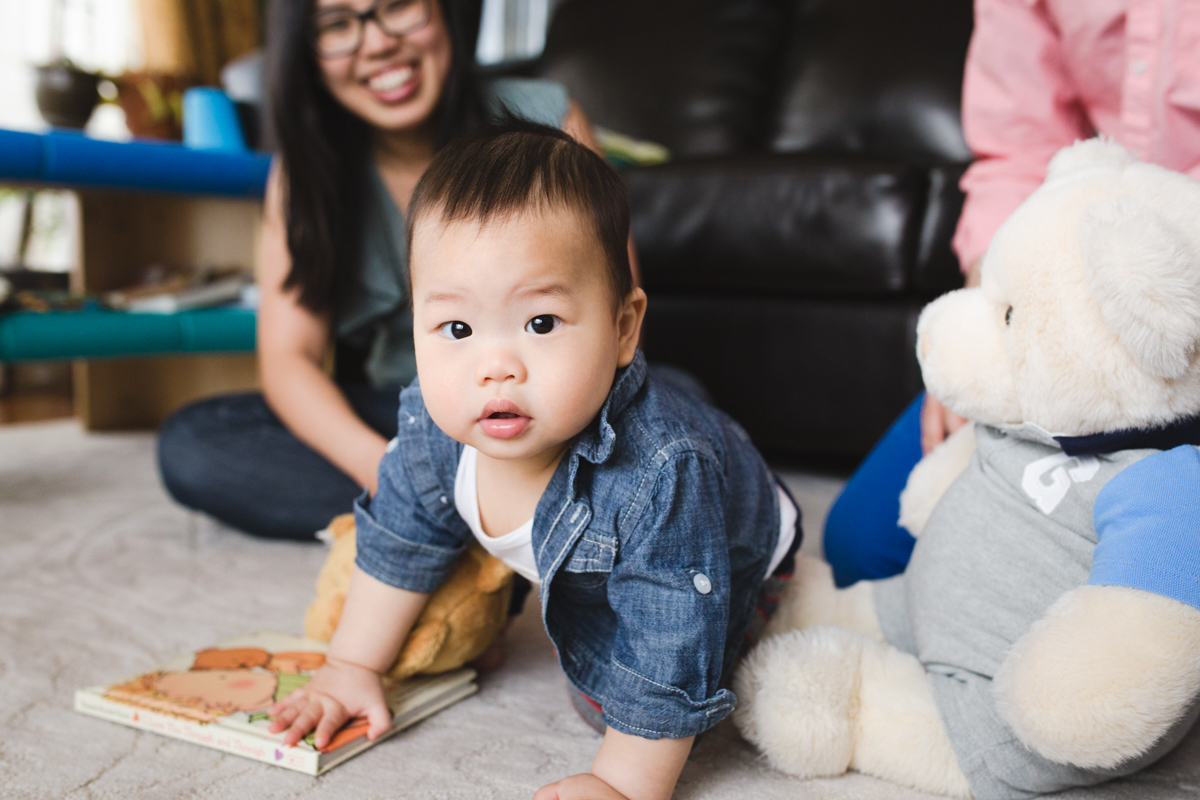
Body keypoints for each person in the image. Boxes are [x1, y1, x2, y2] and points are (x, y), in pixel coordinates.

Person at [266, 121, 802, 800]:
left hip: (734, 551)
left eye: (540, 323)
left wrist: (625, 783)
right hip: (585, 536)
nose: (495, 368)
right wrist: (349, 664)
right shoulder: (432, 425)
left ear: (623, 328)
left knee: (606, 695)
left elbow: (672, 637)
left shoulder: (661, 472)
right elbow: (402, 537)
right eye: (456, 329)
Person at [156, 0, 624, 540]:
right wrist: (393, 476)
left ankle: (472, 522)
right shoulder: (303, 176)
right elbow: (290, 359)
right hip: (401, 418)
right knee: (194, 442)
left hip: (541, 408)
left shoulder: (553, 121)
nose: (376, 43)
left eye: (398, 5)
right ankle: (504, 519)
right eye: (337, 24)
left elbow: (609, 314)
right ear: (307, 51)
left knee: (681, 413)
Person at [823, 0, 1200, 587]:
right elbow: (1021, 152)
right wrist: (994, 316)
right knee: (864, 547)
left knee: (1153, 572)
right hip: (1077, 304)